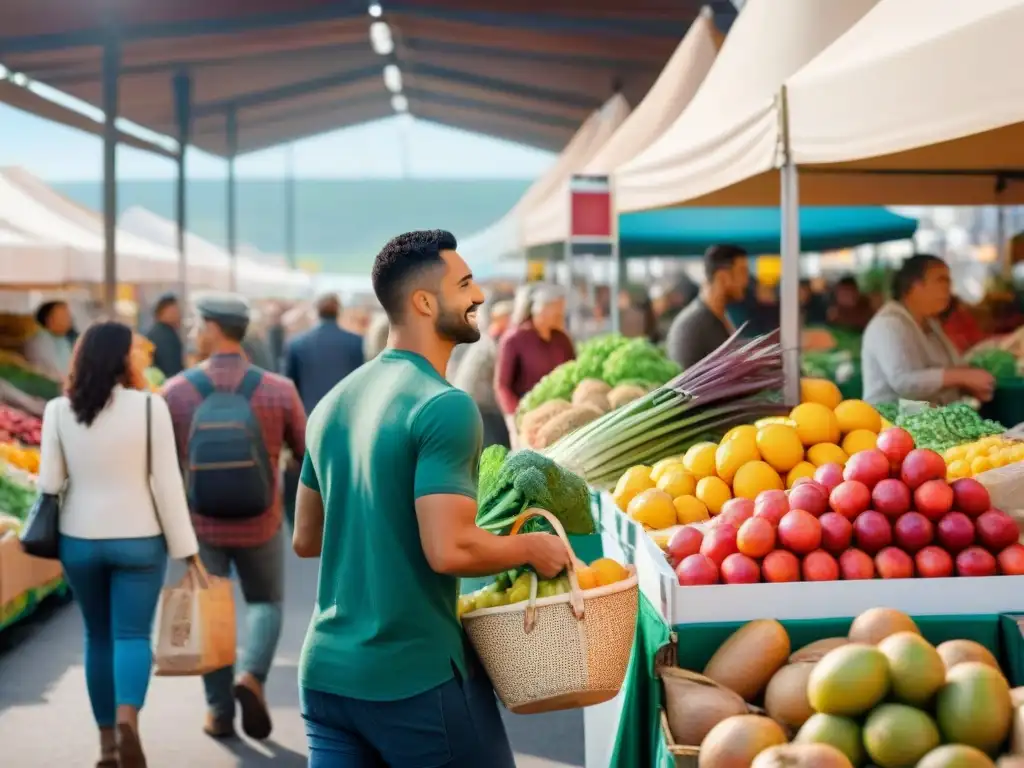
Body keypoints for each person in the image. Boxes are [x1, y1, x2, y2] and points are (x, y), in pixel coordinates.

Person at [292, 230, 571, 767]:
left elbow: (307, 539)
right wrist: (533, 551)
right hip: (413, 678)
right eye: (464, 283)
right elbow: (450, 550)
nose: (479, 297)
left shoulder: (331, 405)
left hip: (327, 676)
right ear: (424, 302)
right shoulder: (446, 406)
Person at [36, 321, 199, 768]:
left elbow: (49, 482)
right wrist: (187, 547)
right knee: (131, 634)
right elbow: (167, 484)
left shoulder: (57, 410)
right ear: (122, 358)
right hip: (140, 539)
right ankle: (129, 716)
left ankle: (107, 743)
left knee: (97, 637)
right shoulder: (150, 408)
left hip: (79, 540)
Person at [161, 294, 306, 742]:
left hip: (200, 524)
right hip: (261, 519)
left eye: (195, 324)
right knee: (265, 603)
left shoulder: (176, 391)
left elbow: (162, 464)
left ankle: (219, 711)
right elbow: (305, 454)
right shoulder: (279, 389)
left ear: (211, 327)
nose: (191, 332)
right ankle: (252, 676)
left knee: (210, 611)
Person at [861, 254, 995, 406]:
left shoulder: (930, 323)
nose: (948, 288)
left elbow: (948, 370)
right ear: (915, 286)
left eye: (949, 281)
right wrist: (962, 377)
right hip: (891, 423)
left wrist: (969, 384)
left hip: (929, 420)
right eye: (941, 280)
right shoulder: (888, 325)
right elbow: (903, 382)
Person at [495, 285, 576, 446]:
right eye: (557, 309)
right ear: (540, 310)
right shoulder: (514, 339)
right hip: (525, 418)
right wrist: (515, 416)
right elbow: (502, 385)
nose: (561, 314)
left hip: (558, 417)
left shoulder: (562, 339)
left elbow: (574, 373)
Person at [666, 244, 749, 369]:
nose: (746, 280)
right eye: (742, 272)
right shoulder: (697, 323)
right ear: (723, 277)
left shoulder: (714, 316)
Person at [285, 293, 365, 415]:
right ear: (339, 311)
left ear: (316, 311)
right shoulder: (357, 342)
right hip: (345, 414)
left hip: (310, 414)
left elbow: (290, 385)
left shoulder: (297, 343)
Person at [453, 299, 514, 448]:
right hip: (479, 404)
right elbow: (503, 377)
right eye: (510, 318)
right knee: (495, 449)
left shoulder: (489, 337)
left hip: (472, 402)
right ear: (500, 319)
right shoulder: (496, 340)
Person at [24, 300, 75, 382]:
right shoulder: (38, 343)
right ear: (49, 320)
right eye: (64, 316)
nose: (69, 319)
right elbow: (54, 375)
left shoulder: (62, 340)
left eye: (68, 315)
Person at [144, 293, 184, 379]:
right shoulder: (165, 336)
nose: (179, 315)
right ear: (163, 312)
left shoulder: (155, 332)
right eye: (175, 311)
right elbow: (171, 368)